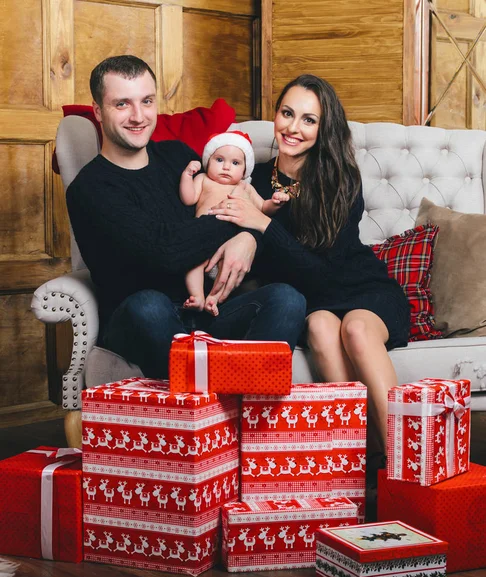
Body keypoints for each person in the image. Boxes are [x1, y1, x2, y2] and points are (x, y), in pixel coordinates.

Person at [208, 74, 410, 466]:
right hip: (313, 303)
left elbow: (322, 272)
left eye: (308, 119)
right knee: (319, 326)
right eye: (287, 113)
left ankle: (403, 463)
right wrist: (245, 233)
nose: (293, 128)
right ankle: (359, 462)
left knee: (354, 328)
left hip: (360, 289)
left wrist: (261, 225)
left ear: (323, 129)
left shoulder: (340, 180)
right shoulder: (250, 177)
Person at [66, 55, 307, 381]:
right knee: (147, 304)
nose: (138, 116)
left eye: (147, 101)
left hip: (210, 311)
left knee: (287, 297)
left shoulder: (178, 156)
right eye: (122, 104)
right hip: (143, 322)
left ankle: (245, 404)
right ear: (98, 112)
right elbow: (164, 252)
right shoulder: (91, 188)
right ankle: (225, 393)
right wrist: (240, 220)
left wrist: (250, 238)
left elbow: (251, 212)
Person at [179, 130, 289, 315]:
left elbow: (263, 208)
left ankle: (213, 299)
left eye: (235, 163)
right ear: (208, 161)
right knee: (193, 262)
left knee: (229, 270)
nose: (226, 167)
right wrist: (187, 176)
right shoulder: (203, 179)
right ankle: (197, 296)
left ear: (245, 170)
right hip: (202, 238)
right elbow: (188, 199)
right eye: (219, 160)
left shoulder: (245, 187)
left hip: (231, 243)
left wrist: (275, 203)